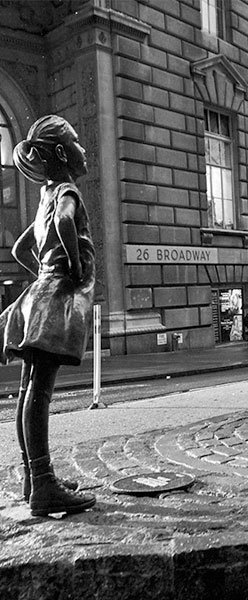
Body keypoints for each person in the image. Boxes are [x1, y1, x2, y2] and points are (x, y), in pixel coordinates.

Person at [1, 115, 96, 516]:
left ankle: (31, 475)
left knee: (28, 389)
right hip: (55, 297)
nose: (83, 149)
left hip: (38, 293)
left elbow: (22, 249)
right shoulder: (67, 192)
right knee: (39, 391)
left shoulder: (46, 194)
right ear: (61, 152)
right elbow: (63, 222)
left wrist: (42, 273)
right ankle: (43, 485)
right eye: (76, 142)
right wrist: (72, 266)